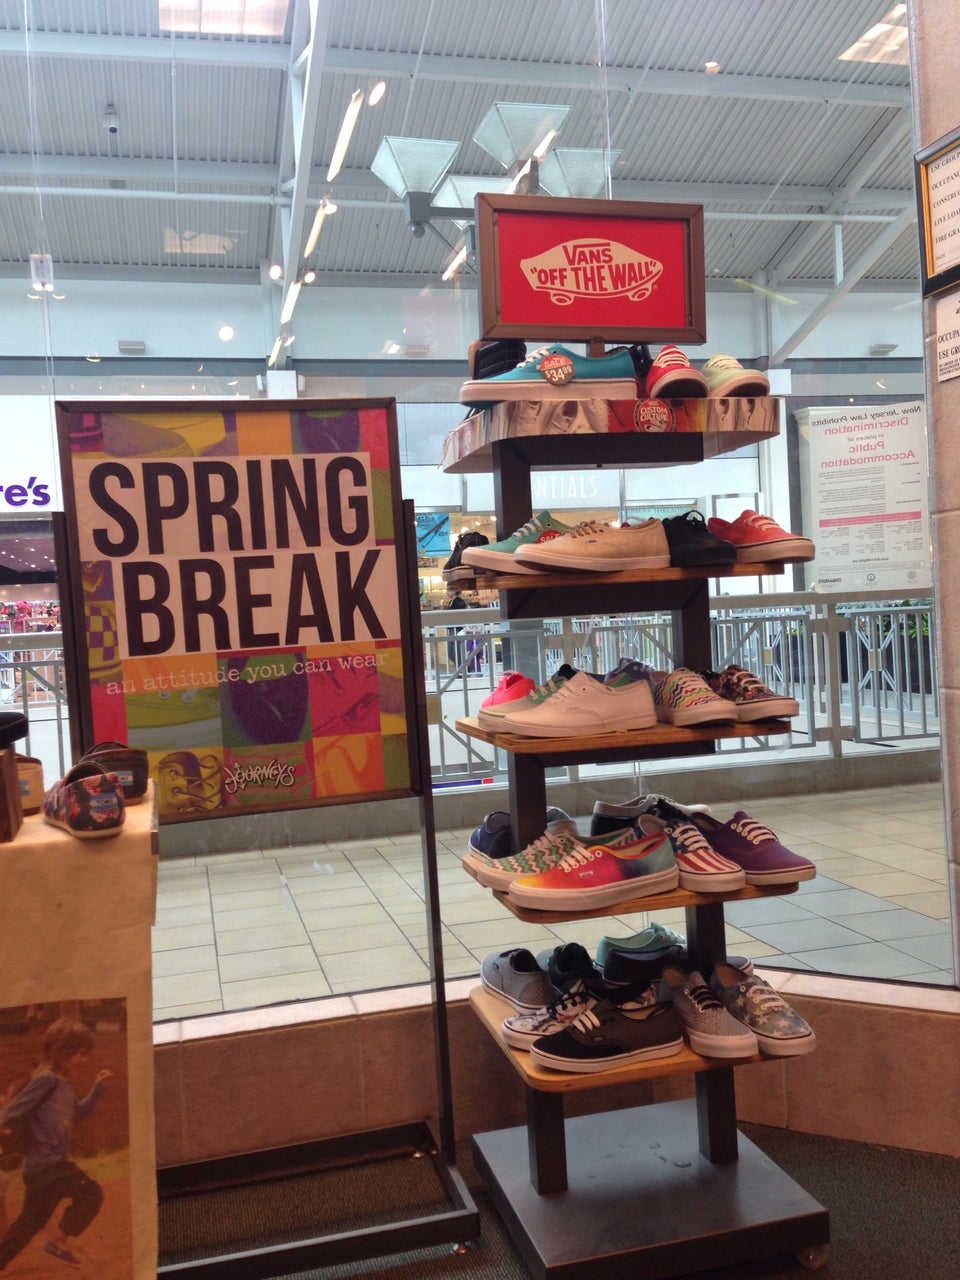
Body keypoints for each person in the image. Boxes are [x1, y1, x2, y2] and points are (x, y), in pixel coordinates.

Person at [0, 1018, 113, 1271]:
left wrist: (97, 1090)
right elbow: (15, 1108)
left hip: (40, 1171)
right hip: (49, 1167)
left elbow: (78, 1114)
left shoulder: (64, 1085)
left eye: (87, 1054)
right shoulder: (46, 1079)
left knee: (28, 1224)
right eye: (81, 1053)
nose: (85, 1060)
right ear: (62, 1051)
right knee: (91, 1192)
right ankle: (57, 1243)